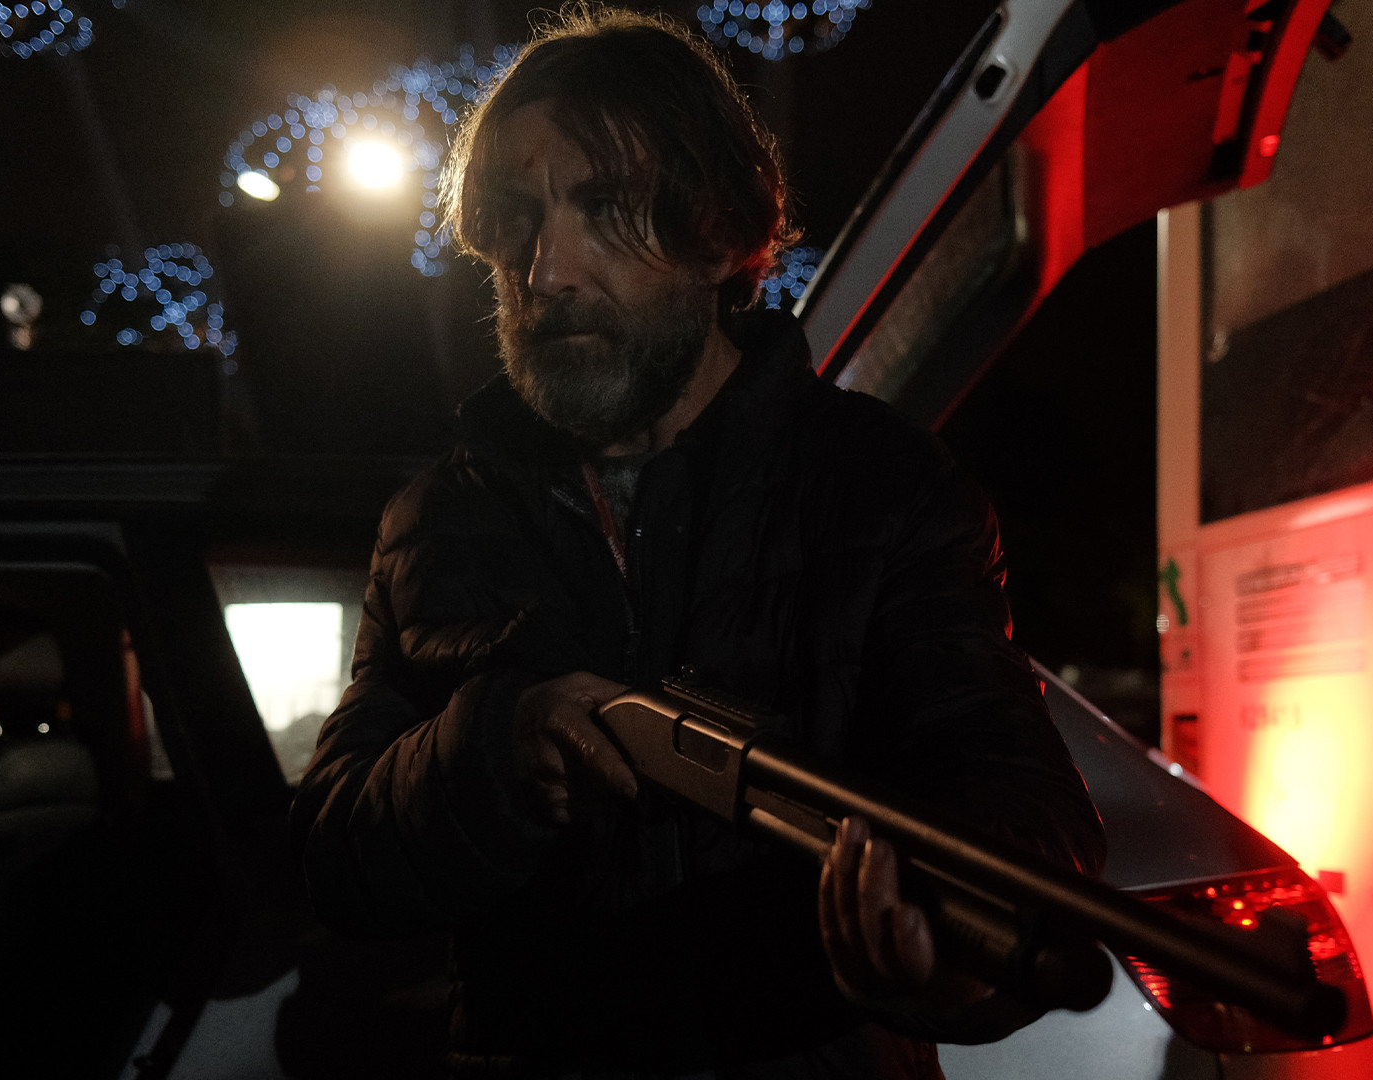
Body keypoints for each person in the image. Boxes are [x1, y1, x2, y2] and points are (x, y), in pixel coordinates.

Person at [290, 10, 1105, 1078]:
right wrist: (495, 750)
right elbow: (333, 855)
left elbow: (1022, 809)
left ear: (721, 232)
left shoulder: (879, 487)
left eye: (603, 210)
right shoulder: (439, 520)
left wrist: (946, 954)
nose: (545, 272)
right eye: (515, 222)